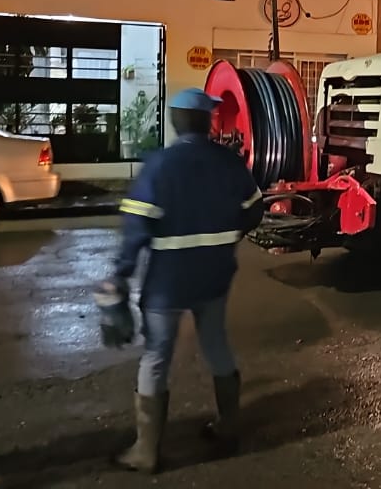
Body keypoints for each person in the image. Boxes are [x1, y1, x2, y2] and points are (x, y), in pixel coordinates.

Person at [95, 87, 265, 473]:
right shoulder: (230, 162)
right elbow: (255, 211)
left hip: (166, 283)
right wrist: (228, 235)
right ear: (207, 123)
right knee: (217, 346)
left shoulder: (160, 165)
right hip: (215, 276)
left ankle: (146, 451)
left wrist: (119, 275)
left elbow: (137, 227)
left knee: (156, 356)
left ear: (175, 122)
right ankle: (228, 427)